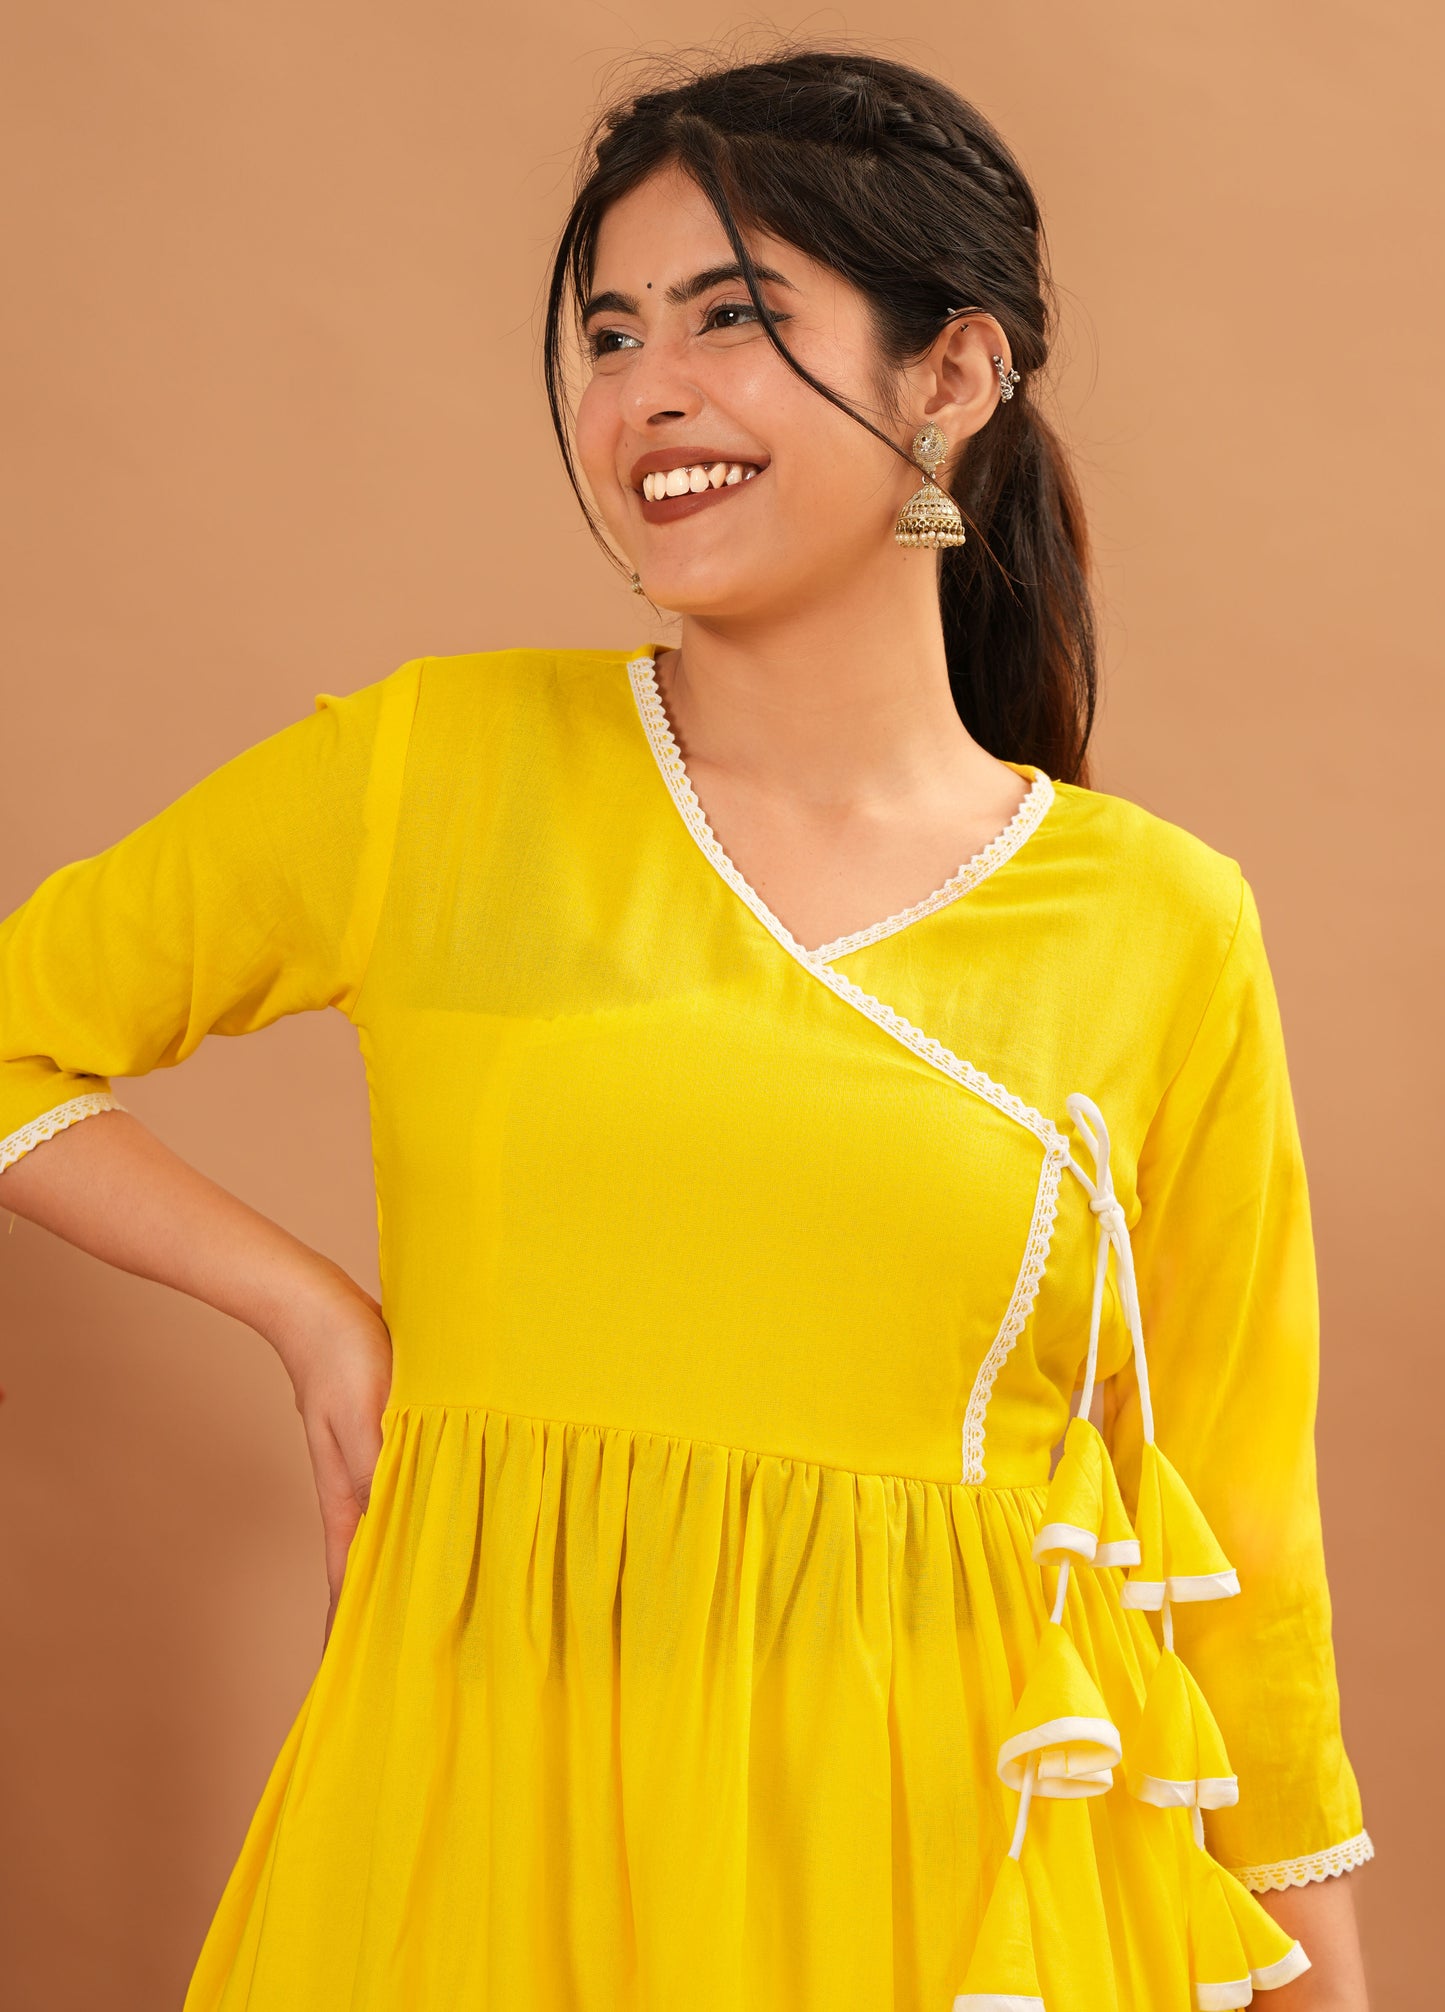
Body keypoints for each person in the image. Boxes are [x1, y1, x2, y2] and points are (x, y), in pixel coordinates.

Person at [0, 44, 1371, 2012]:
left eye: (733, 318)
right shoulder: (433, 772)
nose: (644, 392)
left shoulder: (1157, 923)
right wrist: (311, 1311)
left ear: (951, 376)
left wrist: (1321, 1974)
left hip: (934, 1882)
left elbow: (1243, 1528)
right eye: (610, 331)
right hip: (480, 1856)